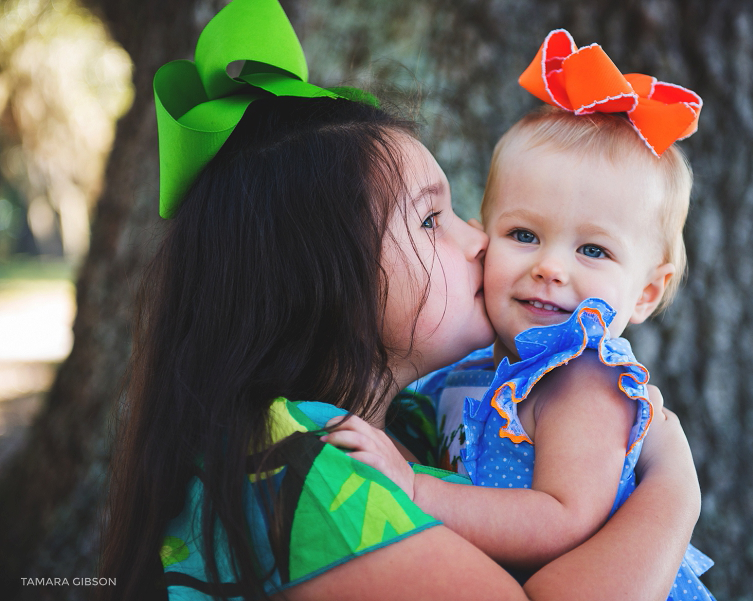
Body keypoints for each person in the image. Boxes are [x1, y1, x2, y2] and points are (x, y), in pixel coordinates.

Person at [99, 5, 702, 600]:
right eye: (432, 220)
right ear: (328, 280)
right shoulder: (311, 469)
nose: (480, 242)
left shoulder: (415, 420)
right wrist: (675, 486)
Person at [326, 30, 716, 600]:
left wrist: (415, 489)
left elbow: (561, 520)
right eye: (524, 234)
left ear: (645, 294)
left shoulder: (586, 380)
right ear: (487, 234)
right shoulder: (475, 371)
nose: (551, 268)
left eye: (593, 250)